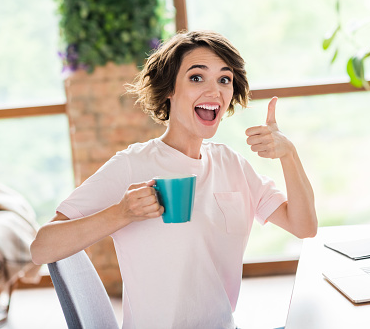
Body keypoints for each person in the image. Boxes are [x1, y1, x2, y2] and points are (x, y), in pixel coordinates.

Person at [30, 30, 317, 328]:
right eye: (196, 77)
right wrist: (121, 213)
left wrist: (288, 154)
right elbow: (42, 248)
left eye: (224, 79)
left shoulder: (231, 163)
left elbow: (304, 226)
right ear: (169, 89)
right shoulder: (133, 165)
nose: (214, 91)